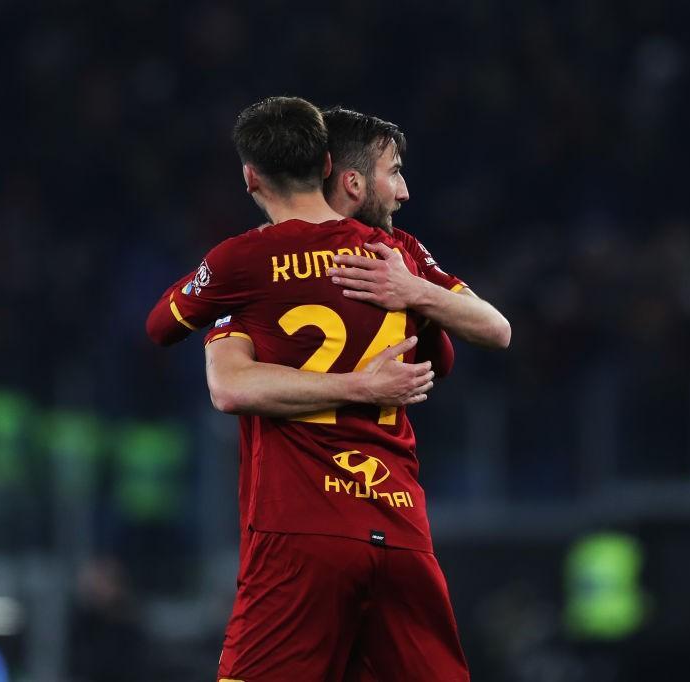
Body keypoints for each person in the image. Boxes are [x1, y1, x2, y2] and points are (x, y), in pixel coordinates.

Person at [146, 97, 508, 680]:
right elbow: (467, 345)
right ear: (331, 169)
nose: (405, 191)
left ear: (250, 177)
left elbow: (172, 336)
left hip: (300, 531)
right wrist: (414, 297)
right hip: (399, 529)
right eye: (396, 173)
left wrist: (355, 383)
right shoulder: (399, 256)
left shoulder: (244, 265)